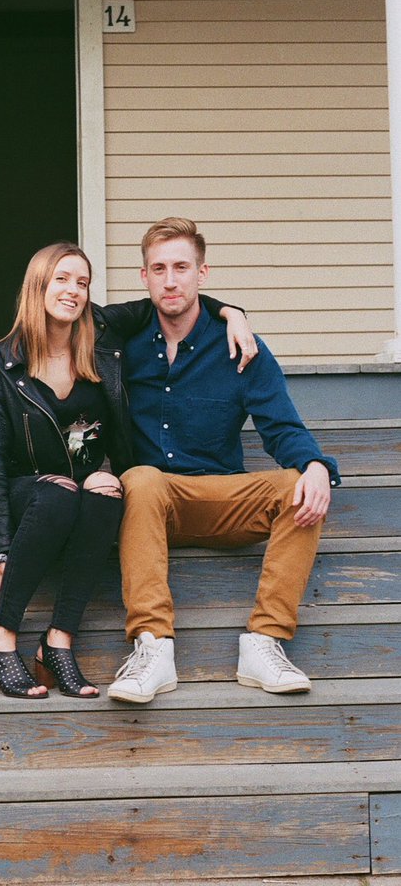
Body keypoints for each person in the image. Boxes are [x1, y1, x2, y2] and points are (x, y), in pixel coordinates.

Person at [0, 240, 256, 700]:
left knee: (105, 487)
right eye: (61, 279)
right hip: (25, 495)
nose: (73, 290)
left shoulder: (100, 333)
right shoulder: (2, 365)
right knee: (60, 490)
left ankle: (58, 641)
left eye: (82, 282)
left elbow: (170, 297)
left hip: (74, 493)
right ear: (37, 286)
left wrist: (232, 313)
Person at [104, 217, 339, 704]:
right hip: (150, 503)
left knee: (300, 485)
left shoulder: (239, 345)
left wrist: (316, 466)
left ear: (202, 273)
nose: (171, 280)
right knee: (141, 479)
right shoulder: (122, 345)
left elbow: (281, 426)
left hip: (223, 500)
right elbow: (54, 331)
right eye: (159, 269)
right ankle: (153, 646)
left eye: (182, 267)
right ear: (144, 277)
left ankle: (264, 642)